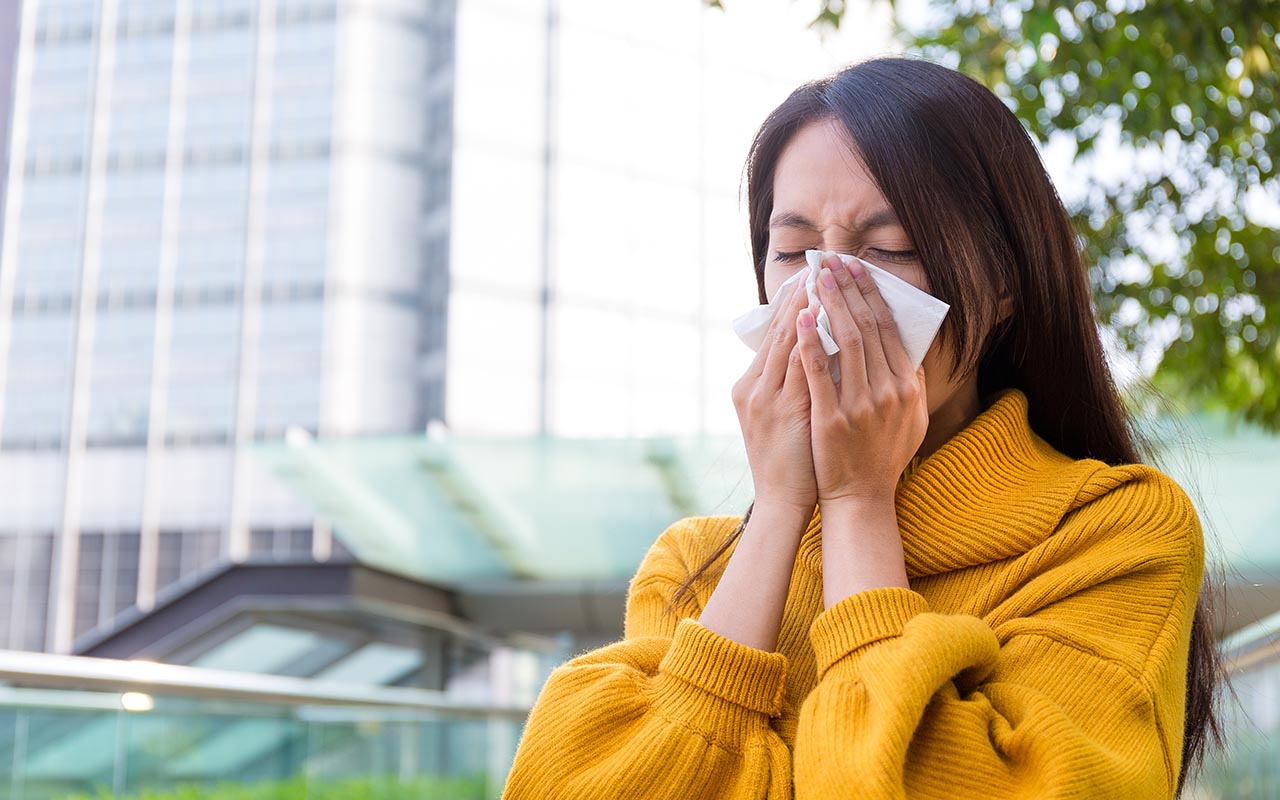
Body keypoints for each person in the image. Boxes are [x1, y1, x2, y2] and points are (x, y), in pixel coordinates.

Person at [500, 56, 1220, 799]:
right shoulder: (694, 568)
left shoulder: (1113, 532)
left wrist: (859, 503)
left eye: (889, 249)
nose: (828, 289)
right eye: (793, 250)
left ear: (1003, 282)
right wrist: (781, 510)